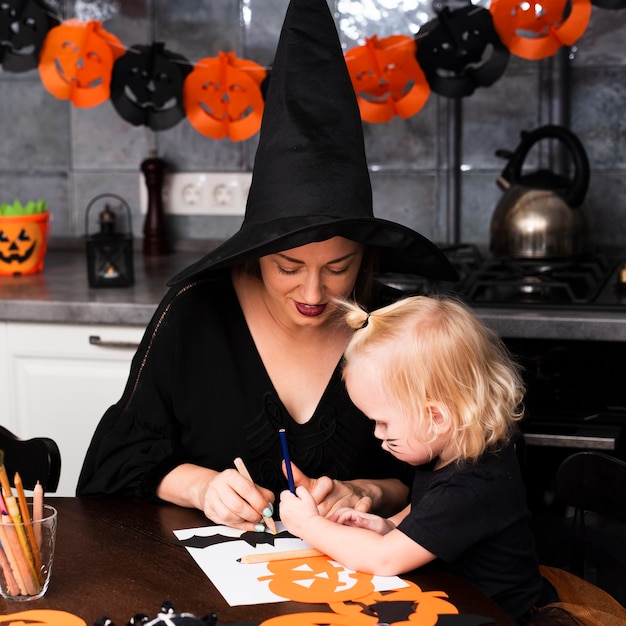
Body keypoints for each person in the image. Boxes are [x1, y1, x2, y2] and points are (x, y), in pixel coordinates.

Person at [76, 0, 457, 532]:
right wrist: (202, 486)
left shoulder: (399, 326)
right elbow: (111, 468)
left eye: (339, 266)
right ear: (257, 254)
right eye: (288, 266)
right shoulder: (196, 314)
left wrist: (367, 490)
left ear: (365, 256)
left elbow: (460, 480)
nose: (314, 290)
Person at [279, 295, 560, 621]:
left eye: (383, 422)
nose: (377, 434)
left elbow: (384, 560)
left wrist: (307, 525)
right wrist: (390, 526)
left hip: (500, 616)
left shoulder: (472, 486)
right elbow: (431, 510)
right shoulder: (454, 450)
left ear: (436, 418)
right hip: (457, 599)